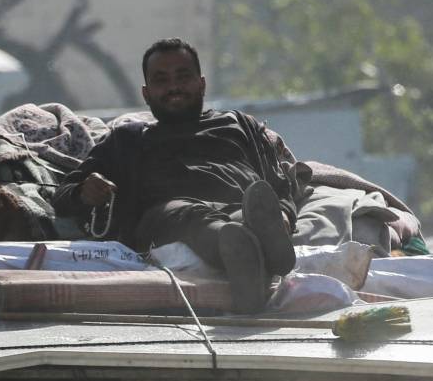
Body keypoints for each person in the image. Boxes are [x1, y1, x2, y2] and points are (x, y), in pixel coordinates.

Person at [53, 37, 301, 311]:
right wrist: (85, 192)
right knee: (194, 217)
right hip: (170, 216)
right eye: (161, 80)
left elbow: (278, 184)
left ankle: (263, 247)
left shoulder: (238, 124)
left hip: (241, 207)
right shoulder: (127, 139)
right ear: (146, 94)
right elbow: (63, 194)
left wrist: (283, 215)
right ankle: (240, 250)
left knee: (250, 212)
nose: (173, 87)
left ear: (201, 83)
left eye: (183, 77)